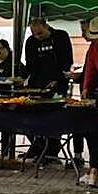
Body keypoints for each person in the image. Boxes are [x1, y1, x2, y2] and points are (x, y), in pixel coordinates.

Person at [23, 17, 74, 161]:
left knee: (53, 117)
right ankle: (38, 144)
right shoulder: (31, 42)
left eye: (40, 33)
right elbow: (30, 66)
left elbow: (67, 61)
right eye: (35, 34)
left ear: (47, 27)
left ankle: (52, 149)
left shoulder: (61, 37)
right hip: (37, 86)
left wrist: (57, 79)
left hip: (58, 84)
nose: (37, 37)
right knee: (32, 114)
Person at [78, 16, 98, 186]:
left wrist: (86, 89)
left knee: (93, 133)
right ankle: (94, 171)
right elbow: (90, 71)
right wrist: (85, 89)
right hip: (95, 96)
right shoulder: (94, 47)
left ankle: (93, 170)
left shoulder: (94, 47)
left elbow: (90, 72)